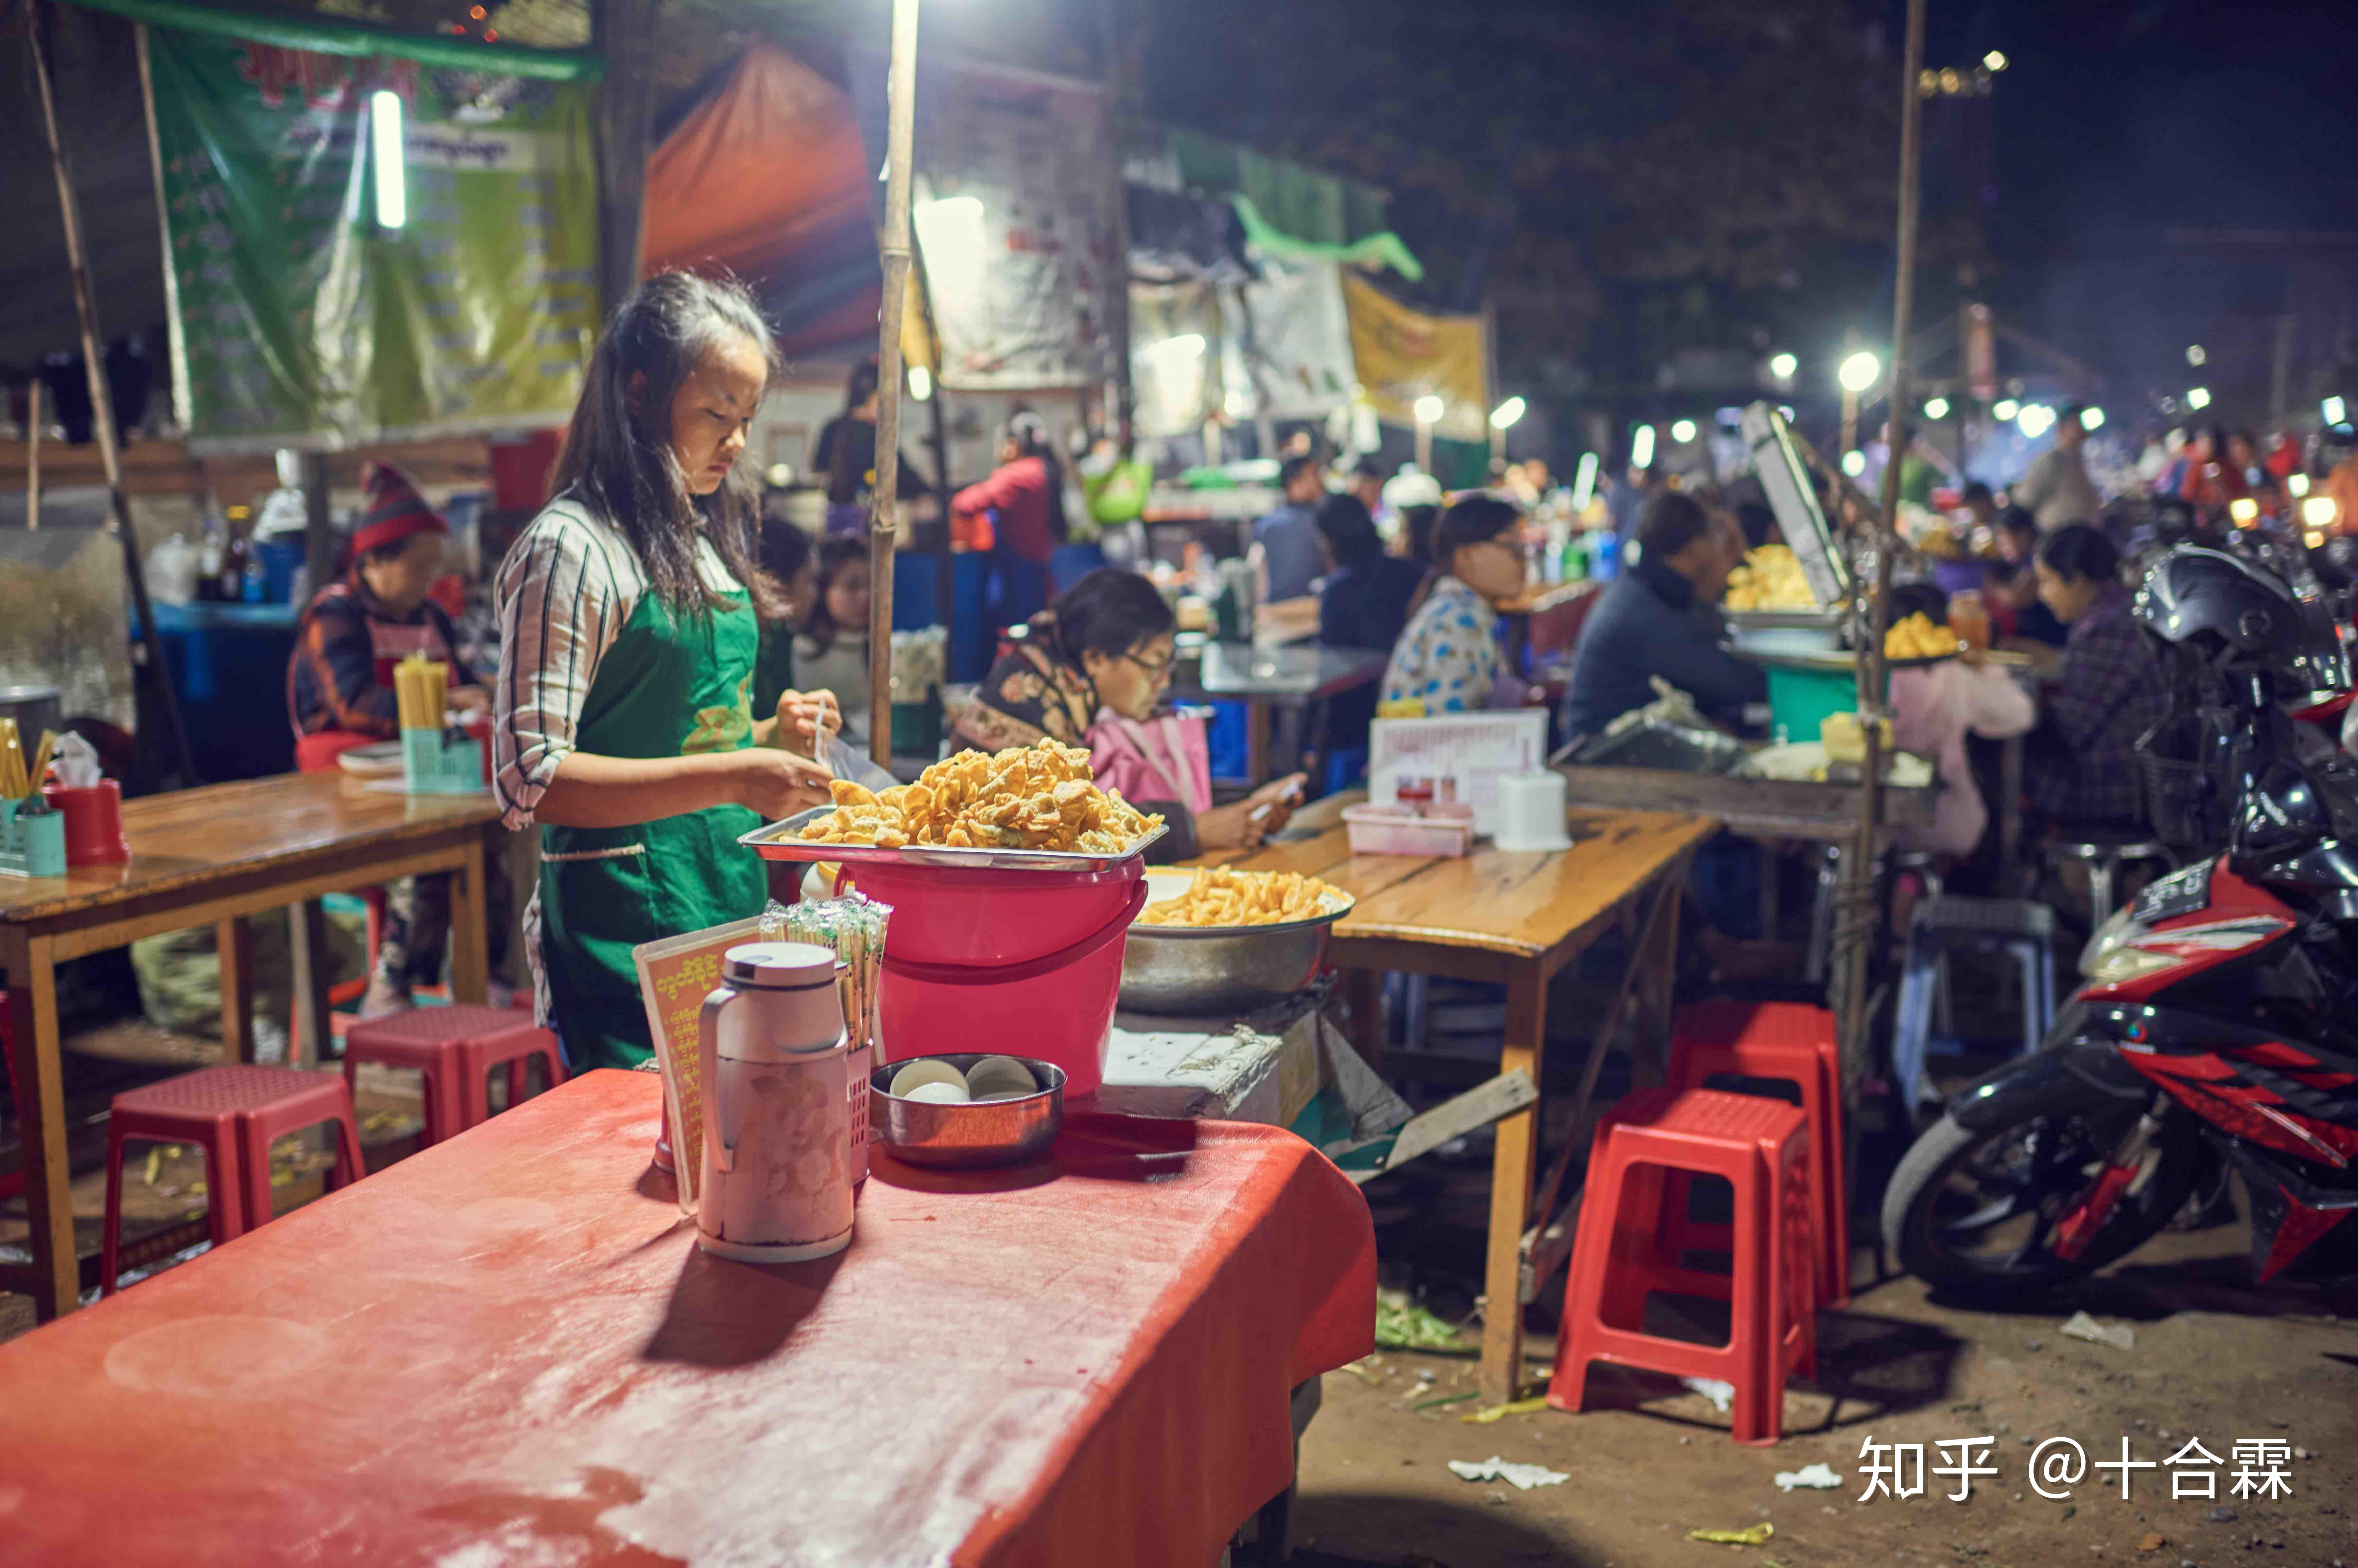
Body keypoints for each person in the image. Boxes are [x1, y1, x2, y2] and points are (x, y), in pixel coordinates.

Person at [494, 272, 836, 1071]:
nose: (738, 443)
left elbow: (678, 735)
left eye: (746, 419)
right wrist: (734, 775)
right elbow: (529, 780)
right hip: (627, 925)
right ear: (641, 394)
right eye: (716, 415)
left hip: (724, 896)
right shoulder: (571, 547)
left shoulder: (699, 536)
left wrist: (768, 738)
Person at [288, 460, 496, 1015]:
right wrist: (445, 703)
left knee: (493, 839)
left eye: (436, 564)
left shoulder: (431, 615)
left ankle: (487, 977)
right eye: (420, 564)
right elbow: (352, 703)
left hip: (428, 776)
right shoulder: (334, 615)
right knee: (428, 845)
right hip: (345, 790)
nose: (432, 578)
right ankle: (392, 980)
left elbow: (466, 682)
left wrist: (487, 693)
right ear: (375, 561)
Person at [953, 569, 1306, 856]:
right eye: (1152, 665)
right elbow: (1065, 834)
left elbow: (1108, 798)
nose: (1162, 683)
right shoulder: (1031, 701)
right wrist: (1195, 831)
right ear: (1096, 659)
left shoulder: (1064, 686)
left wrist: (1244, 809)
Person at [1562, 491, 1765, 737]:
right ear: (1695, 550)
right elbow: (1737, 684)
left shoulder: (1646, 589)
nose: (1725, 557)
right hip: (1602, 758)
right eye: (1719, 544)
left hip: (1630, 744)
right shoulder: (1642, 613)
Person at [2026, 523, 2166, 833]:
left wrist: (2022, 708)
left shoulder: (2109, 627)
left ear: (2076, 580)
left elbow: (2074, 725)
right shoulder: (2114, 610)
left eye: (2046, 582)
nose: (2041, 595)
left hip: (2117, 786)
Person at [1884, 583, 2037, 859]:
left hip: (1874, 824)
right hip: (1942, 823)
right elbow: (2020, 715)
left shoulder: (1865, 674)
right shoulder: (1954, 674)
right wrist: (1986, 668)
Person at [1380, 494, 1531, 713]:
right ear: (1465, 556)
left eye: (1523, 548)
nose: (1522, 559)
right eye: (1511, 547)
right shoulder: (1460, 620)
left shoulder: (1458, 609)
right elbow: (1450, 734)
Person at [1316, 492, 1426, 759]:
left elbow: (1330, 660)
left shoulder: (1337, 590)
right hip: (1409, 708)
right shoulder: (1414, 574)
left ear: (1330, 541)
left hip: (1352, 720)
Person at [952, 411, 1067, 628]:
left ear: (1014, 445)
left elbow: (964, 504)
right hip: (1038, 563)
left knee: (1019, 629)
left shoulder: (1018, 475)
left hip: (1020, 569)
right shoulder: (1041, 469)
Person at [813, 358, 926, 536]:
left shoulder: (832, 427)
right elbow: (903, 474)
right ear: (872, 398)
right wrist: (927, 490)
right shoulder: (879, 436)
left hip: (834, 523)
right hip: (867, 526)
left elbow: (818, 467)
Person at [792, 535, 874, 748]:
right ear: (823, 589)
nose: (865, 596)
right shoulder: (801, 648)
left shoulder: (883, 649)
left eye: (871, 585)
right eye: (852, 586)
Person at [1250, 454, 1328, 603]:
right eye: (1313, 475)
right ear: (1294, 482)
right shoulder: (1268, 526)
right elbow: (1258, 572)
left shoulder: (1266, 524)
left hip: (1309, 606)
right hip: (1295, 608)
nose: (1319, 481)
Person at [2014, 403, 2102, 530]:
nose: (2083, 427)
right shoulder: (2051, 461)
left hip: (2083, 537)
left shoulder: (2083, 460)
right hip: (2057, 537)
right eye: (2077, 422)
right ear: (2062, 428)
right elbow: (2025, 501)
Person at [1988, 507, 2067, 648]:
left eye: (2003, 536)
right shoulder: (2022, 560)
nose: (2001, 545)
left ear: (2024, 534)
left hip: (2053, 642)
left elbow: (2015, 598)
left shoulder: (2042, 555)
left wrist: (1990, 582)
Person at [2178, 425, 2248, 515]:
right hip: (2208, 514)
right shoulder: (2197, 467)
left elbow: (2241, 489)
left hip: (2232, 511)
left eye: (2206, 442)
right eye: (2201, 442)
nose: (2203, 446)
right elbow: (2188, 494)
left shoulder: (2226, 465)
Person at [1606, 462, 1659, 547]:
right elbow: (1612, 520)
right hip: (1626, 542)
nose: (1641, 476)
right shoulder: (1620, 491)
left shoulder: (1649, 493)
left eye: (1643, 472)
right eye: (1637, 472)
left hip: (1644, 541)